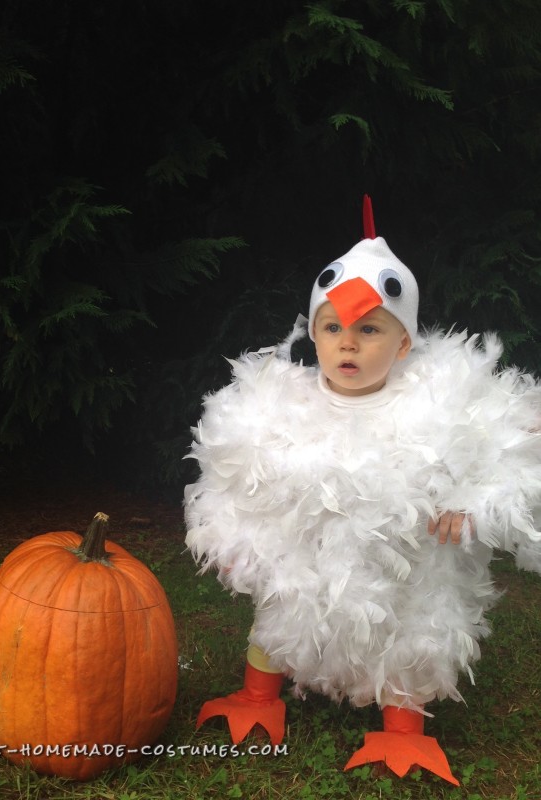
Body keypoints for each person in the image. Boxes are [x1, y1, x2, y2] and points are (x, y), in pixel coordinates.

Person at [184, 198, 541, 785]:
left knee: (411, 625)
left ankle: (403, 729)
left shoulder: (440, 405)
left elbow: (504, 449)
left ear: (404, 345)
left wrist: (469, 504)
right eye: (333, 327)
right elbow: (231, 469)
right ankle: (257, 695)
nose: (348, 343)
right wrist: (230, 531)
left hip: (401, 567)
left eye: (369, 329)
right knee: (281, 603)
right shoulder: (278, 403)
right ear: (316, 335)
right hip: (306, 554)